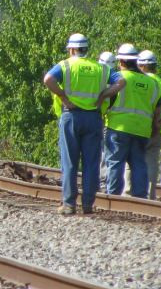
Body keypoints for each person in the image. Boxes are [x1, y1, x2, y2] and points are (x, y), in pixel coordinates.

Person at [42, 33, 110, 215]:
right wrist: (103, 96)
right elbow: (121, 82)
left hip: (71, 116)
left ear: (71, 49)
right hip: (94, 118)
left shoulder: (65, 65)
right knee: (91, 163)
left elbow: (48, 79)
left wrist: (63, 96)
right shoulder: (100, 68)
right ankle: (88, 204)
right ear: (86, 49)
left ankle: (69, 204)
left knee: (70, 162)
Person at [99, 44, 161, 198]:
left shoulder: (118, 79)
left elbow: (106, 102)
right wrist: (155, 125)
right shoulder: (151, 83)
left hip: (117, 127)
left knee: (115, 163)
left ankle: (113, 197)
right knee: (139, 164)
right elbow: (158, 106)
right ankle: (140, 197)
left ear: (120, 61)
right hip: (142, 130)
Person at [137, 49, 161, 198]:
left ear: (143, 66)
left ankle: (130, 195)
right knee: (152, 164)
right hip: (158, 131)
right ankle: (150, 196)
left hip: (141, 129)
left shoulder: (144, 82)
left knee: (133, 162)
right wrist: (160, 123)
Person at [97, 50, 117, 192]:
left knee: (103, 151)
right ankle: (105, 181)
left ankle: (103, 181)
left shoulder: (99, 76)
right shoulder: (115, 78)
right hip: (109, 119)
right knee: (106, 152)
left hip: (102, 118)